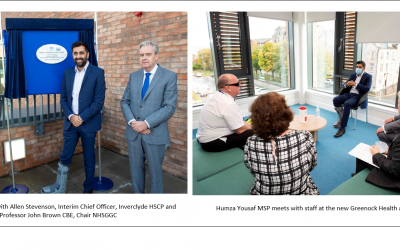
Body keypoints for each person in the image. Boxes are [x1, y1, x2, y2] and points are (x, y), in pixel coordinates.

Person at [42, 41, 106, 194]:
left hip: (88, 123)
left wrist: (81, 117)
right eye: (75, 53)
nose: (78, 56)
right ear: (72, 55)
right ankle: (60, 187)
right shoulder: (68, 73)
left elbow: (98, 102)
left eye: (81, 53)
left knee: (89, 159)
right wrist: (71, 116)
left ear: (87, 54)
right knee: (65, 156)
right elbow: (63, 98)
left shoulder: (98, 73)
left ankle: (88, 190)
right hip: (71, 123)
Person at [121, 41, 178, 194]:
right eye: (141, 55)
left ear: (156, 56)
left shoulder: (169, 76)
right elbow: (125, 101)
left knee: (155, 173)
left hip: (155, 134)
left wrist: (146, 124)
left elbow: (169, 107)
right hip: (134, 133)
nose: (144, 58)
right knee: (135, 170)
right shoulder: (134, 76)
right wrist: (134, 123)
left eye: (148, 54)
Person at [244, 92, 320, 195]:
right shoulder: (305, 136)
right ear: (285, 112)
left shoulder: (251, 142)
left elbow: (252, 170)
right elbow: (311, 165)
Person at [196, 74, 253, 152]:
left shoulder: (216, 96)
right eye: (237, 84)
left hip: (203, 138)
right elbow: (239, 130)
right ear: (228, 87)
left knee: (248, 126)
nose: (240, 85)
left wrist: (251, 125)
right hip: (212, 143)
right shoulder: (228, 103)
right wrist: (257, 128)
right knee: (257, 133)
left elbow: (238, 122)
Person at [333, 61, 372, 137]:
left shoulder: (368, 76)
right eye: (357, 66)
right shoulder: (353, 75)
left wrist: (355, 84)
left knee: (347, 103)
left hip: (357, 96)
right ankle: (342, 119)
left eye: (360, 67)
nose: (358, 68)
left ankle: (342, 128)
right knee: (335, 99)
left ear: (364, 68)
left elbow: (367, 88)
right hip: (348, 94)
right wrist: (346, 85)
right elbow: (343, 85)